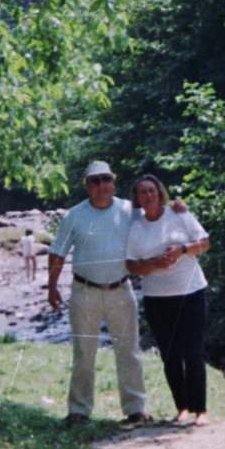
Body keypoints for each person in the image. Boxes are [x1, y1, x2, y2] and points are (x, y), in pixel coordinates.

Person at [46, 161, 150, 425]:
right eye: (95, 181)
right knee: (84, 352)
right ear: (87, 186)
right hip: (84, 290)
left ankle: (136, 408)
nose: (101, 185)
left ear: (113, 182)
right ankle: (79, 410)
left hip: (121, 289)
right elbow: (57, 252)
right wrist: (52, 286)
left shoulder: (129, 211)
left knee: (129, 350)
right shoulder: (74, 216)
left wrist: (179, 210)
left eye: (106, 179)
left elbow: (157, 220)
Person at [125, 174, 211, 427]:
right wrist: (153, 263)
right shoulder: (136, 228)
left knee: (193, 352)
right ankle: (182, 408)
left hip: (191, 292)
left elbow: (205, 243)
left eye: (152, 190)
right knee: (170, 354)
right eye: (143, 192)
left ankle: (201, 410)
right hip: (157, 298)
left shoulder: (179, 214)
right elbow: (131, 265)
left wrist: (181, 250)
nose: (148, 195)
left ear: (159, 192)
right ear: (137, 198)